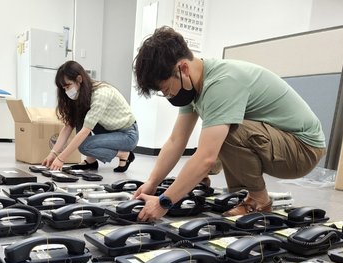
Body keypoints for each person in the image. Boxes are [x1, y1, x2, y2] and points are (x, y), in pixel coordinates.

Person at [132, 27, 326, 221]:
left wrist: (164, 202)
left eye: (166, 90)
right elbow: (176, 140)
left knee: (226, 133)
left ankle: (259, 201)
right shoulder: (194, 86)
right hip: (280, 141)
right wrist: (152, 182)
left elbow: (207, 157)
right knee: (216, 132)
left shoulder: (222, 83)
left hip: (302, 149)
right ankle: (198, 178)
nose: (169, 96)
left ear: (183, 68)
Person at [42, 60, 139, 172]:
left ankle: (124, 154)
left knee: (84, 146)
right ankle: (91, 161)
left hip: (127, 135)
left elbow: (84, 131)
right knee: (80, 117)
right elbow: (68, 126)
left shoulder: (100, 94)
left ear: (79, 79)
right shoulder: (82, 95)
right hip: (109, 129)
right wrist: (53, 154)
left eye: (68, 86)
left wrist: (61, 158)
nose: (66, 91)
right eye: (64, 88)